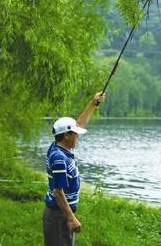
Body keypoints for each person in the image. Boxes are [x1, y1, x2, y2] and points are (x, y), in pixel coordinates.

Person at [43, 91, 105, 246]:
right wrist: (71, 218)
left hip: (60, 214)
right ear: (66, 135)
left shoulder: (60, 146)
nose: (78, 136)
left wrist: (93, 103)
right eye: (75, 134)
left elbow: (80, 123)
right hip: (59, 216)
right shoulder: (59, 158)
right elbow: (58, 191)